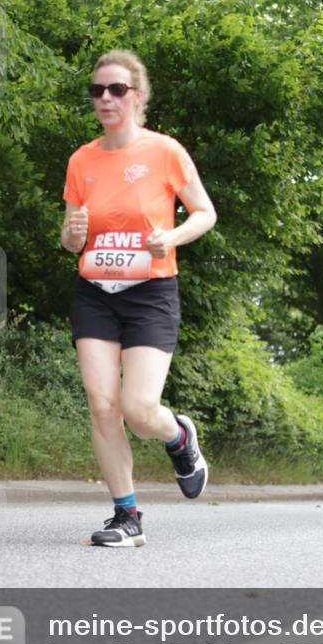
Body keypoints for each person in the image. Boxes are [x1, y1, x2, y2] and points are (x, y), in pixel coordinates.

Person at [61, 49, 217, 547]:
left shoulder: (165, 151)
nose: (105, 98)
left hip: (151, 291)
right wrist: (72, 231)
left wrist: (170, 239)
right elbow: (70, 240)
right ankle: (126, 517)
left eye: (117, 90)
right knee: (102, 405)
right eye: (97, 91)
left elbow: (204, 212)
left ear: (138, 96)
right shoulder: (81, 160)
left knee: (138, 407)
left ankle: (178, 437)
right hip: (95, 293)